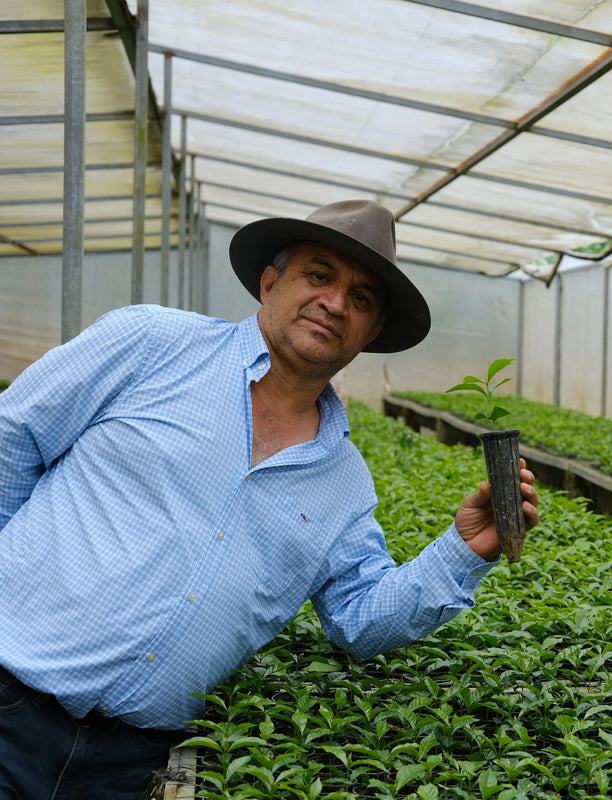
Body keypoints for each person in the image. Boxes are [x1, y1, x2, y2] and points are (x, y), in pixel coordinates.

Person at [0, 199, 539, 798]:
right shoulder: (150, 343)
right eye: (319, 274)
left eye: (362, 298)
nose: (335, 303)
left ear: (373, 331)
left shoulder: (345, 481)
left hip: (130, 762)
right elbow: (12, 439)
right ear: (270, 281)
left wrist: (462, 551)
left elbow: (358, 620)